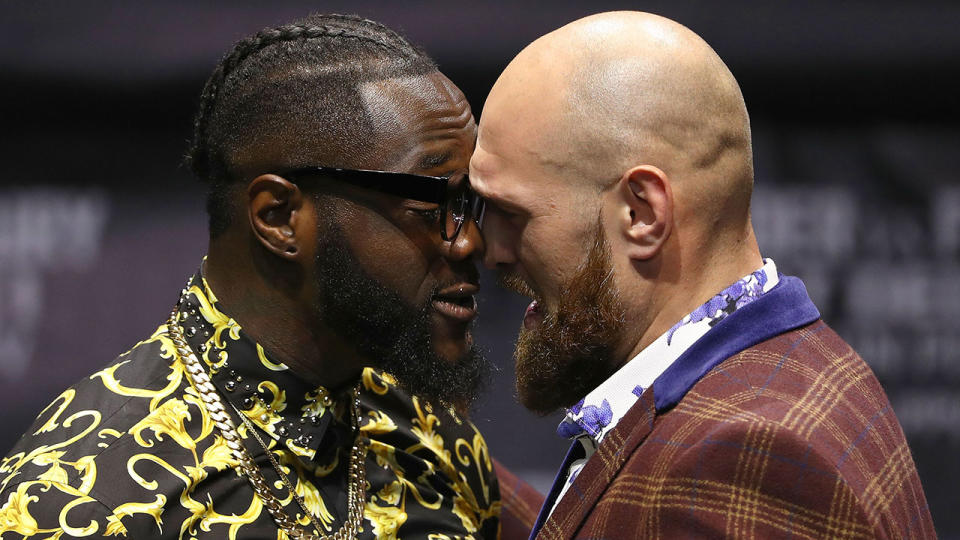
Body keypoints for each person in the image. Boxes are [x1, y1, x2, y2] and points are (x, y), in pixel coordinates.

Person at [0, 14, 542, 539]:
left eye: (470, 203)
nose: (472, 241)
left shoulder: (434, 441)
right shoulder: (86, 499)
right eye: (432, 204)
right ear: (279, 217)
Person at [471, 11, 936, 539]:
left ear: (642, 214)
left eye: (512, 214)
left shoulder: (745, 462)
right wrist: (438, 459)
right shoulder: (781, 374)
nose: (491, 251)